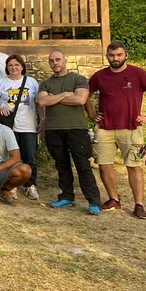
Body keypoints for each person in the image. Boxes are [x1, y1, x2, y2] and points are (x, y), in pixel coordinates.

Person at [86, 42, 146, 219]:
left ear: (126, 55)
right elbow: (86, 95)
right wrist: (91, 114)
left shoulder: (137, 73)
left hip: (130, 128)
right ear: (107, 56)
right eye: (112, 55)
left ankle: (139, 204)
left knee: (133, 166)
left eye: (119, 55)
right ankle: (113, 199)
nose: (115, 58)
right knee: (104, 165)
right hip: (105, 128)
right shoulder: (99, 76)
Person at [38, 50, 101, 215]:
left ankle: (93, 201)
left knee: (83, 165)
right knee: (62, 165)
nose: (55, 63)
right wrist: (66, 95)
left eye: (58, 59)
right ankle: (66, 196)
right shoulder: (45, 83)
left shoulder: (78, 79)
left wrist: (55, 98)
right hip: (53, 129)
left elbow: (80, 99)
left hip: (76, 129)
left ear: (65, 60)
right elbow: (43, 101)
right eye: (52, 61)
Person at [0, 54, 41, 200]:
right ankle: (11, 185)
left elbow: (38, 102)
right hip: (9, 126)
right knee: (10, 157)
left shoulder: (31, 82)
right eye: (10, 65)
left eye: (17, 65)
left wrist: (42, 119)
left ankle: (30, 184)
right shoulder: (1, 82)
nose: (14, 68)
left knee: (30, 157)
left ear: (22, 67)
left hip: (28, 125)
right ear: (7, 67)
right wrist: (1, 107)